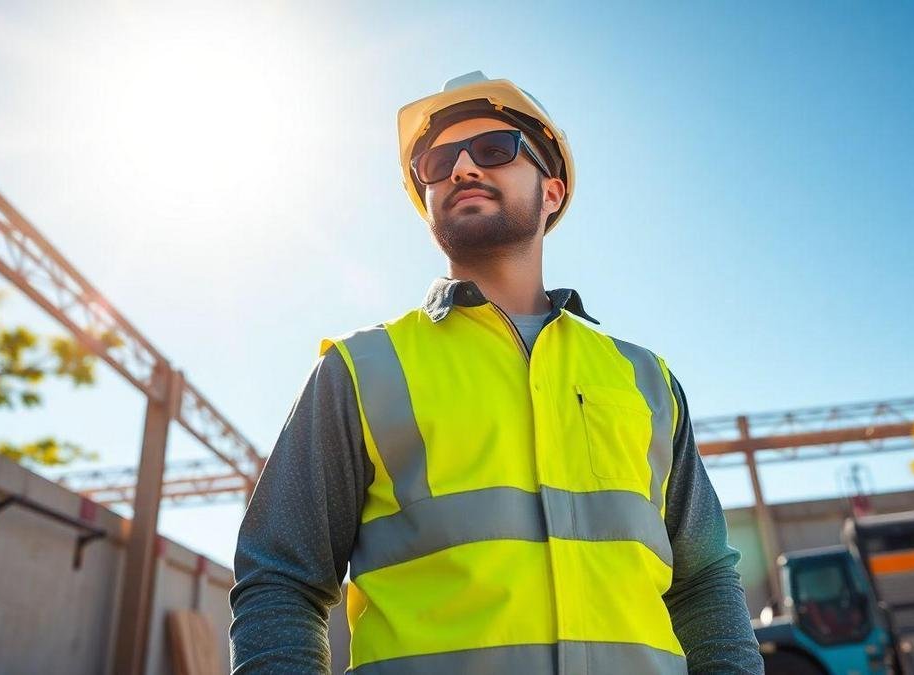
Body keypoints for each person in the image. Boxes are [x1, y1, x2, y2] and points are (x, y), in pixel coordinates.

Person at [229, 71, 763, 674]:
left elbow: (705, 582)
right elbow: (280, 579)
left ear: (552, 193)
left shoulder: (645, 379)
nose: (461, 169)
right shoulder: (358, 371)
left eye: (492, 150)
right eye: (437, 163)